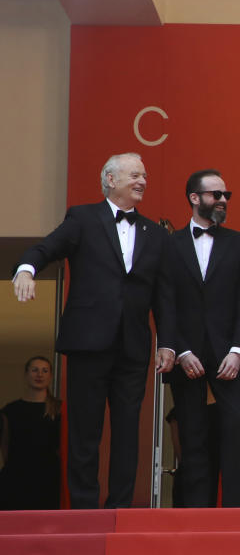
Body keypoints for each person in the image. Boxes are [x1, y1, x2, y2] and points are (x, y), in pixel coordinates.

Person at [11, 152, 174, 509]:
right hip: (88, 342)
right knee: (85, 430)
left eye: (144, 175)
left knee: (128, 432)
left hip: (133, 347)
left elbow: (163, 294)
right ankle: (84, 508)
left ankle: (119, 507)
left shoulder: (156, 234)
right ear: (111, 179)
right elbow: (47, 247)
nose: (142, 180)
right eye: (134, 174)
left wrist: (169, 343)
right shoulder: (83, 218)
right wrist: (26, 268)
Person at [161, 169, 240, 507]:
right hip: (186, 357)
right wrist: (181, 350)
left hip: (229, 356)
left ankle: (232, 521)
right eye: (216, 194)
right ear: (194, 198)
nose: (222, 200)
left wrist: (237, 351)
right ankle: (193, 521)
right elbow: (165, 302)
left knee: (233, 440)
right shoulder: (168, 245)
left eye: (225, 195)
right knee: (192, 438)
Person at [0, 356, 62, 510]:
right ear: (26, 374)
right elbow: (5, 446)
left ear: (50, 376)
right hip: (16, 479)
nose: (39, 374)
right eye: (35, 370)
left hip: (49, 479)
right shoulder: (10, 410)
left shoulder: (60, 410)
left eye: (44, 371)